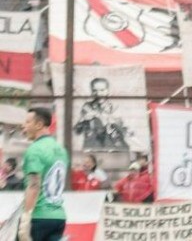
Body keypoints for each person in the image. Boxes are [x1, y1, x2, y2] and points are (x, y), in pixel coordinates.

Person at [20, 107, 69, 241]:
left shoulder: (35, 150)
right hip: (58, 216)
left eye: (27, 122)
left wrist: (26, 217)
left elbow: (34, 186)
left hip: (38, 216)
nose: (23, 125)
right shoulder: (61, 150)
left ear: (39, 125)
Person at [74, 76, 128, 150]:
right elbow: (77, 131)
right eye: (95, 90)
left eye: (102, 90)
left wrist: (100, 117)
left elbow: (122, 131)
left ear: (108, 91)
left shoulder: (115, 107)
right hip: (91, 149)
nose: (98, 94)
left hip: (110, 149)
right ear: (92, 91)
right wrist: (82, 120)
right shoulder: (87, 107)